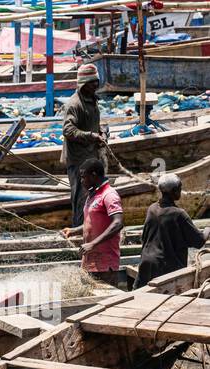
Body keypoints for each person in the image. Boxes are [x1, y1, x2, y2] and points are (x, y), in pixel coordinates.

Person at [62, 157, 127, 290]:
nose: (81, 181)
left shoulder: (109, 195)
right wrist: (74, 231)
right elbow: (91, 221)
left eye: (83, 177)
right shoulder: (92, 195)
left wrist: (93, 244)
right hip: (89, 263)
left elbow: (118, 223)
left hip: (104, 265)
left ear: (93, 175)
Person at [136, 172, 210, 288]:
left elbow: (144, 238)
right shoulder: (179, 214)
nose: (181, 190)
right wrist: (207, 229)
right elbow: (199, 241)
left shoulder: (152, 209)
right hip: (166, 269)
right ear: (174, 191)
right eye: (180, 188)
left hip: (146, 263)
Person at [61, 62, 107, 228]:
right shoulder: (74, 104)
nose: (96, 84)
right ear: (83, 84)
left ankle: (91, 228)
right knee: (82, 198)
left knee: (93, 196)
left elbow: (93, 123)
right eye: (92, 82)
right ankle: (79, 231)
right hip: (79, 161)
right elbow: (68, 130)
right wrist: (90, 136)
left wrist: (101, 132)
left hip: (91, 157)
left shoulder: (92, 100)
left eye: (96, 81)